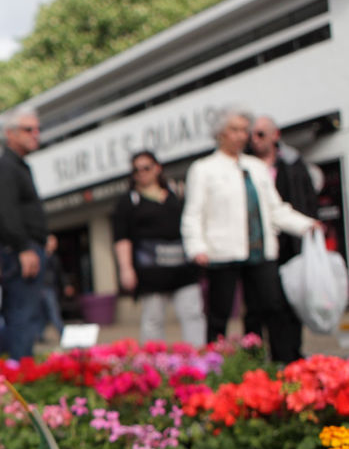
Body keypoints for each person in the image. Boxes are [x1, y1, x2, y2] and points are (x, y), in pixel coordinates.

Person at [180, 107, 319, 362]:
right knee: (219, 314)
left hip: (260, 252)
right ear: (221, 133)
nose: (241, 136)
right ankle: (216, 365)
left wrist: (306, 225)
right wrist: (196, 246)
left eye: (244, 130)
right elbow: (193, 214)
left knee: (272, 307)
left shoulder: (255, 167)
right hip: (222, 253)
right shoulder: (204, 169)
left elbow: (275, 209)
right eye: (235, 129)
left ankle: (283, 362)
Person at [244, 115, 320, 357]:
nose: (255, 140)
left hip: (290, 245)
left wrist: (307, 226)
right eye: (252, 135)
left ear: (275, 135)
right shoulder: (245, 166)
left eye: (261, 134)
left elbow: (306, 201)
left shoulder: (293, 163)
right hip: (258, 247)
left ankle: (289, 355)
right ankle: (254, 359)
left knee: (289, 303)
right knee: (258, 306)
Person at [113, 151, 205, 346]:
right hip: (151, 270)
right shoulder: (129, 201)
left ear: (157, 168)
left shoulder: (176, 192)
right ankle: (154, 363)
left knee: (192, 313)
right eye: (137, 170)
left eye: (146, 168)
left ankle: (199, 357)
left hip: (183, 266)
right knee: (153, 318)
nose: (142, 173)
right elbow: (122, 238)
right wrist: (126, 268)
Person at [0, 107, 48, 359]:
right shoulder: (5, 168)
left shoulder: (19, 166)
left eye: (37, 129)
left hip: (29, 246)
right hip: (20, 250)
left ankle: (23, 369)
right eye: (28, 129)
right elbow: (6, 213)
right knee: (22, 314)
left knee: (29, 314)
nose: (35, 134)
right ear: (10, 134)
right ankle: (21, 379)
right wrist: (23, 247)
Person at [41, 234, 66, 343]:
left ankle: (63, 334)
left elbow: (60, 274)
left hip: (50, 288)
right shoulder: (40, 256)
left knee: (53, 312)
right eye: (52, 242)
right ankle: (39, 335)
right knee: (41, 314)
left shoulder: (54, 258)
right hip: (40, 288)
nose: (54, 245)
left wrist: (66, 285)